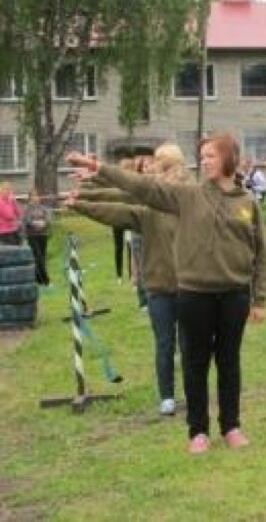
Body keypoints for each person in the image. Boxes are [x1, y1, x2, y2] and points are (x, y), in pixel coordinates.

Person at [67, 132, 266, 454]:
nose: (204, 162)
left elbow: (261, 252)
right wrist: (98, 167)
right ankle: (198, 431)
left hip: (234, 296)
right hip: (194, 294)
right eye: (201, 157)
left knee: (229, 363)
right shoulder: (186, 196)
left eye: (211, 156)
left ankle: (231, 426)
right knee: (195, 363)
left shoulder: (247, 203)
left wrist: (259, 299)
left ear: (230, 157)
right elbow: (143, 188)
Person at [69, 143, 190, 416]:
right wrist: (85, 200)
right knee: (164, 343)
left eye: (158, 163)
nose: (152, 167)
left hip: (189, 285)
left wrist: (93, 180)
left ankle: (194, 392)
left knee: (189, 342)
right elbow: (121, 199)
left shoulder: (187, 196)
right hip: (159, 287)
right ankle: (167, 396)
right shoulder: (147, 207)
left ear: (171, 166)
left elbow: (134, 188)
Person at [21, 189, 52, 286]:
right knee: (38, 257)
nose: (35, 198)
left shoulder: (43, 208)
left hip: (43, 234)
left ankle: (38, 279)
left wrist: (44, 223)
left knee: (42, 257)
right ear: (29, 198)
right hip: (32, 235)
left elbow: (48, 218)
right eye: (33, 196)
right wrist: (35, 223)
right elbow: (27, 220)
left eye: (37, 195)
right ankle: (46, 280)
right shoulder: (27, 209)